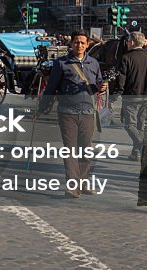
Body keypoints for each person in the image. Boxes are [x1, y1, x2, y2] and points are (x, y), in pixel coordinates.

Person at [39, 30, 103, 199]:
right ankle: (72, 185)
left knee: (86, 151)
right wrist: (42, 107)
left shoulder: (94, 63)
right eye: (76, 42)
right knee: (70, 150)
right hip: (67, 112)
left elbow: (98, 84)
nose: (79, 45)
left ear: (87, 44)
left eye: (82, 43)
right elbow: (51, 88)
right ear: (71, 43)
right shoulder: (61, 63)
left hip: (88, 112)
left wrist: (101, 87)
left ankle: (83, 182)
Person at [115, 32, 147, 162]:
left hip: (131, 96)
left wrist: (115, 96)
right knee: (140, 125)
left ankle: (141, 144)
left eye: (128, 41)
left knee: (129, 124)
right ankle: (136, 152)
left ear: (131, 42)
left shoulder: (126, 58)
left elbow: (121, 80)